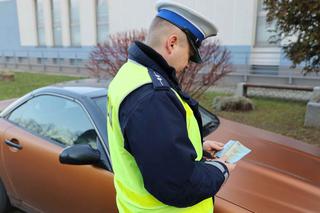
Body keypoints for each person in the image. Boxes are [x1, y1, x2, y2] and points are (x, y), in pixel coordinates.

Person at [107, 0, 236, 212]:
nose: (187, 64)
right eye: (189, 55)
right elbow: (178, 185)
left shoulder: (130, 74)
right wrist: (220, 169)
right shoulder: (152, 96)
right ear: (172, 43)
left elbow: (145, 143)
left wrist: (196, 147)